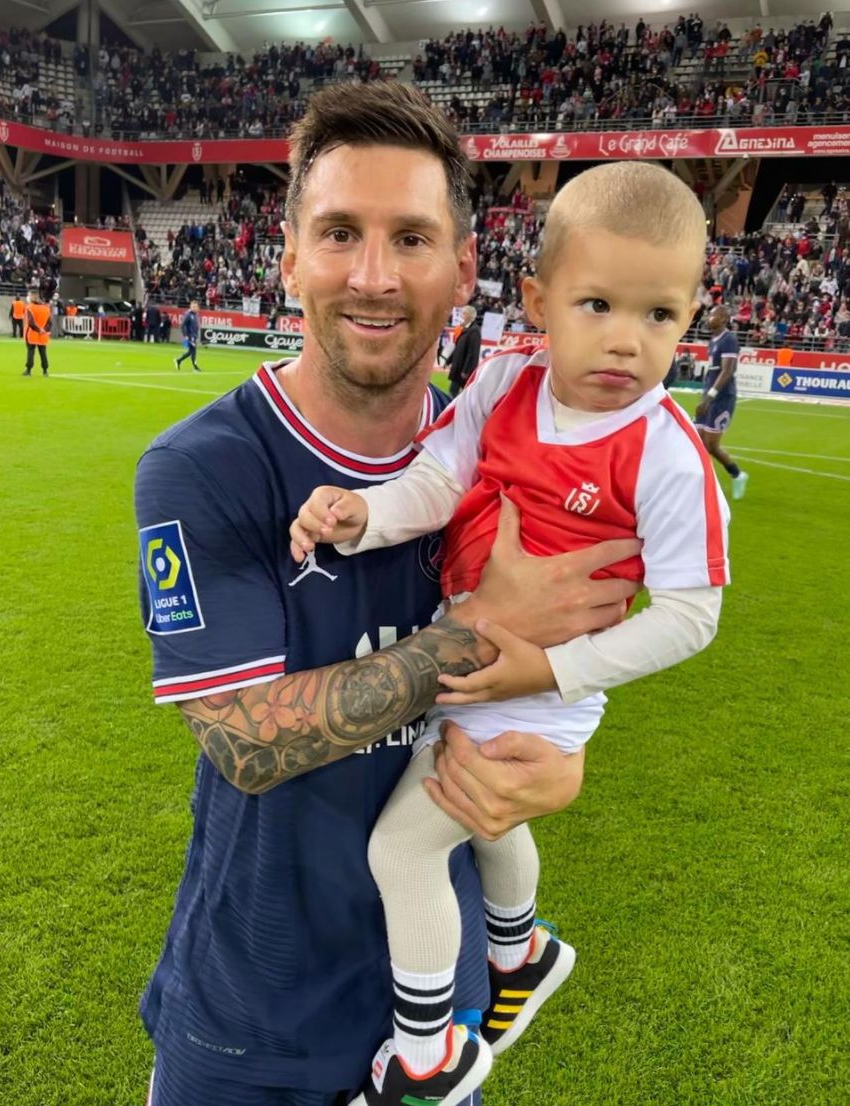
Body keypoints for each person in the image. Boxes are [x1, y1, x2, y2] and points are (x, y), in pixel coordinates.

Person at [135, 83, 639, 1106]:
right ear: (287, 257)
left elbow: (549, 687)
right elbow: (244, 738)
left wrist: (549, 771)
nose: (371, 276)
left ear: (462, 269)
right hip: (248, 1021)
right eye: (337, 233)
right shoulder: (204, 467)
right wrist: (473, 637)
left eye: (410, 238)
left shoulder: (514, 461)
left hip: (431, 1013)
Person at [290, 161, 730, 1105]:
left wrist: (551, 668)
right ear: (536, 300)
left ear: (691, 318)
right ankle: (520, 950)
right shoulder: (506, 384)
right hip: (478, 651)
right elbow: (440, 480)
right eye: (599, 304)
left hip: (537, 687)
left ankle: (424, 1058)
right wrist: (365, 514)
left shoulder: (664, 449)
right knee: (488, 824)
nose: (626, 341)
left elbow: (693, 618)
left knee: (403, 850)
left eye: (659, 316)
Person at [694, 304, 749, 499]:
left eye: (713, 315)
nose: (709, 318)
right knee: (696, 441)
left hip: (722, 398)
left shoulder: (729, 340)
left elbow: (728, 370)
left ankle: (738, 475)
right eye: (709, 314)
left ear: (724, 318)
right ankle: (702, 482)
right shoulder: (713, 341)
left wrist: (711, 396)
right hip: (709, 395)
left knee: (711, 445)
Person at [447, 305, 482, 397]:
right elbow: (458, 347)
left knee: (457, 393)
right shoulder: (465, 329)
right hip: (459, 367)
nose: (462, 315)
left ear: (470, 315)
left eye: (464, 313)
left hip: (463, 369)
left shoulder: (474, 331)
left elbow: (473, 353)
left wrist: (466, 370)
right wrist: (449, 361)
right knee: (454, 392)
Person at [22, 288, 51, 376]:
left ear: (31, 296)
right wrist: (44, 330)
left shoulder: (30, 307)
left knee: (31, 352)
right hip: (43, 335)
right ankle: (45, 370)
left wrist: (38, 329)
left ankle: (28, 370)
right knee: (43, 352)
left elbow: (31, 322)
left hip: (32, 334)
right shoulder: (46, 308)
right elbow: (49, 323)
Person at [174, 299, 202, 371]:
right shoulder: (188, 314)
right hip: (190, 336)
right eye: (193, 306)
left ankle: (180, 361)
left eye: (195, 307)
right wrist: (185, 335)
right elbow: (183, 325)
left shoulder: (195, 315)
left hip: (194, 335)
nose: (194, 308)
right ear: (190, 306)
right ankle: (193, 366)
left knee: (192, 351)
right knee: (192, 351)